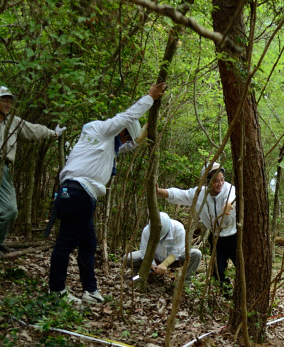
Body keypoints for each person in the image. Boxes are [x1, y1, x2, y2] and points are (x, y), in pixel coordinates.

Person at [49, 82, 167, 304]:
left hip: (77, 193)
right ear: (121, 131)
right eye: (125, 137)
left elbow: (124, 146)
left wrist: (140, 137)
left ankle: (90, 291)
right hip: (79, 193)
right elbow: (125, 118)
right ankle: (56, 291)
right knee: (65, 243)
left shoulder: (102, 143)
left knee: (88, 244)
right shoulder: (104, 130)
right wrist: (149, 98)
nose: (124, 142)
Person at [0, 86, 66, 256]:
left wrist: (53, 134)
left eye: (9, 101)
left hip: (4, 167)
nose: (8, 104)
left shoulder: (14, 122)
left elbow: (34, 130)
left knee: (11, 210)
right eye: (4, 100)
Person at [156, 162, 236, 291]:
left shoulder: (228, 189)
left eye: (222, 179)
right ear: (207, 181)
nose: (220, 183)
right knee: (218, 271)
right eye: (215, 181)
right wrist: (159, 191)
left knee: (242, 267)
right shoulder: (200, 194)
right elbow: (180, 195)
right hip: (216, 238)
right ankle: (228, 296)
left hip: (234, 236)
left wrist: (228, 203)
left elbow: (232, 196)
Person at [126, 212, 202, 285]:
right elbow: (144, 251)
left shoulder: (178, 228)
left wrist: (164, 264)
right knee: (128, 258)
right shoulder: (147, 231)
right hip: (154, 257)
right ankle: (143, 276)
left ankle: (184, 284)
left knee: (196, 254)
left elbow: (177, 251)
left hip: (174, 259)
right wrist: (152, 265)